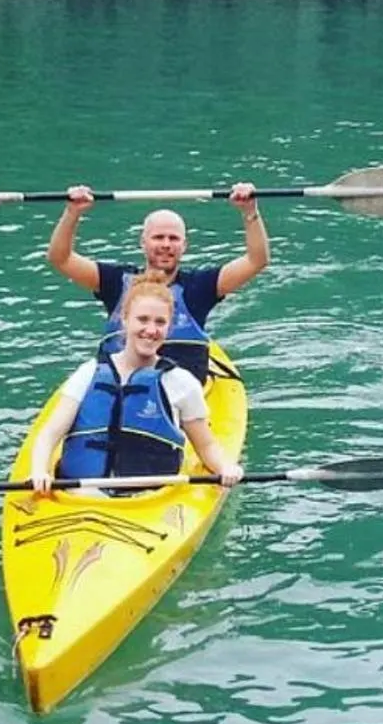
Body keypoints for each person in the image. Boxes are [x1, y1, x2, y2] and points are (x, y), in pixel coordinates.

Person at [26, 277, 244, 496]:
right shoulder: (89, 372)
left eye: (160, 322)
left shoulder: (182, 384)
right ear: (125, 319)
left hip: (148, 500)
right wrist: (39, 471)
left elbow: (206, 446)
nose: (151, 330)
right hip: (79, 495)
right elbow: (49, 434)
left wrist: (225, 467)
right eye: (142, 319)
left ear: (169, 327)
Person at [44, 180, 269, 379]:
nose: (165, 245)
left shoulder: (200, 286)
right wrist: (72, 213)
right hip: (119, 385)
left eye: (173, 238)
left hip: (179, 397)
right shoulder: (115, 281)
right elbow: (60, 258)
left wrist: (250, 212)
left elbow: (256, 261)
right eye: (158, 237)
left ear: (184, 246)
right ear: (143, 243)